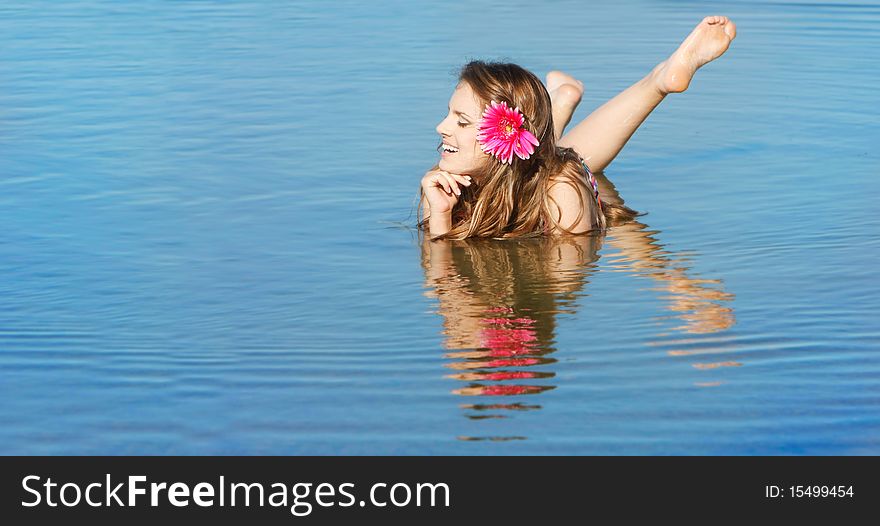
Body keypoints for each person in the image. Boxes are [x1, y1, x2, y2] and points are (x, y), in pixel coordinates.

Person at [418, 16, 736, 240]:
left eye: (461, 121)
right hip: (517, 155)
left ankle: (659, 81)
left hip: (563, 178)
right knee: (538, 145)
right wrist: (441, 218)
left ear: (501, 132)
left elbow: (563, 286)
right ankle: (563, 100)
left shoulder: (562, 190)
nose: (440, 127)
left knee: (565, 157)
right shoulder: (442, 183)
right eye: (449, 114)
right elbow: (441, 290)